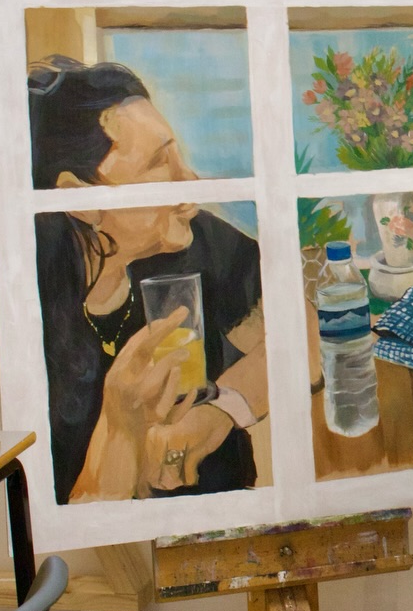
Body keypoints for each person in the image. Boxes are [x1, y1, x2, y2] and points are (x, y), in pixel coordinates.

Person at [28, 56, 269, 505]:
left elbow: (302, 329)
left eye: (176, 154)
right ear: (79, 201)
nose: (189, 185)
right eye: (160, 165)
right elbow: (86, 529)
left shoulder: (191, 241)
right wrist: (120, 431)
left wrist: (220, 412)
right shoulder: (31, 308)